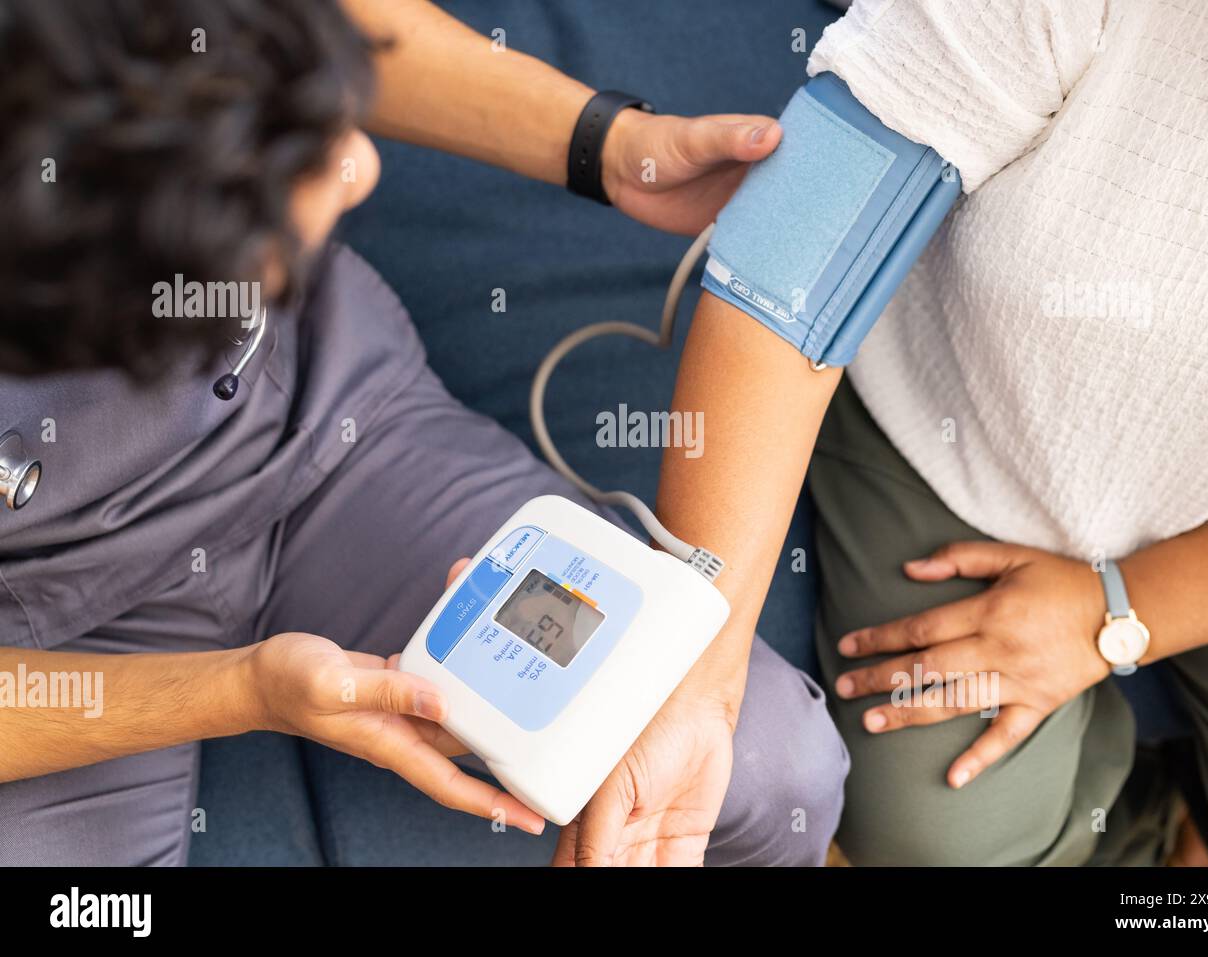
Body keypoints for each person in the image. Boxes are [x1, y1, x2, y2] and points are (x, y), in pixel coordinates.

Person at [0, 0, 849, 867]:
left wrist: (605, 144)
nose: (359, 167)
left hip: (324, 427)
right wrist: (238, 691)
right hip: (42, 621)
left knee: (772, 763)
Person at [651, 0, 1208, 865]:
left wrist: (1117, 614)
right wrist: (692, 673)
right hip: (957, 429)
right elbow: (790, 254)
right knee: (939, 844)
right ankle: (1163, 823)